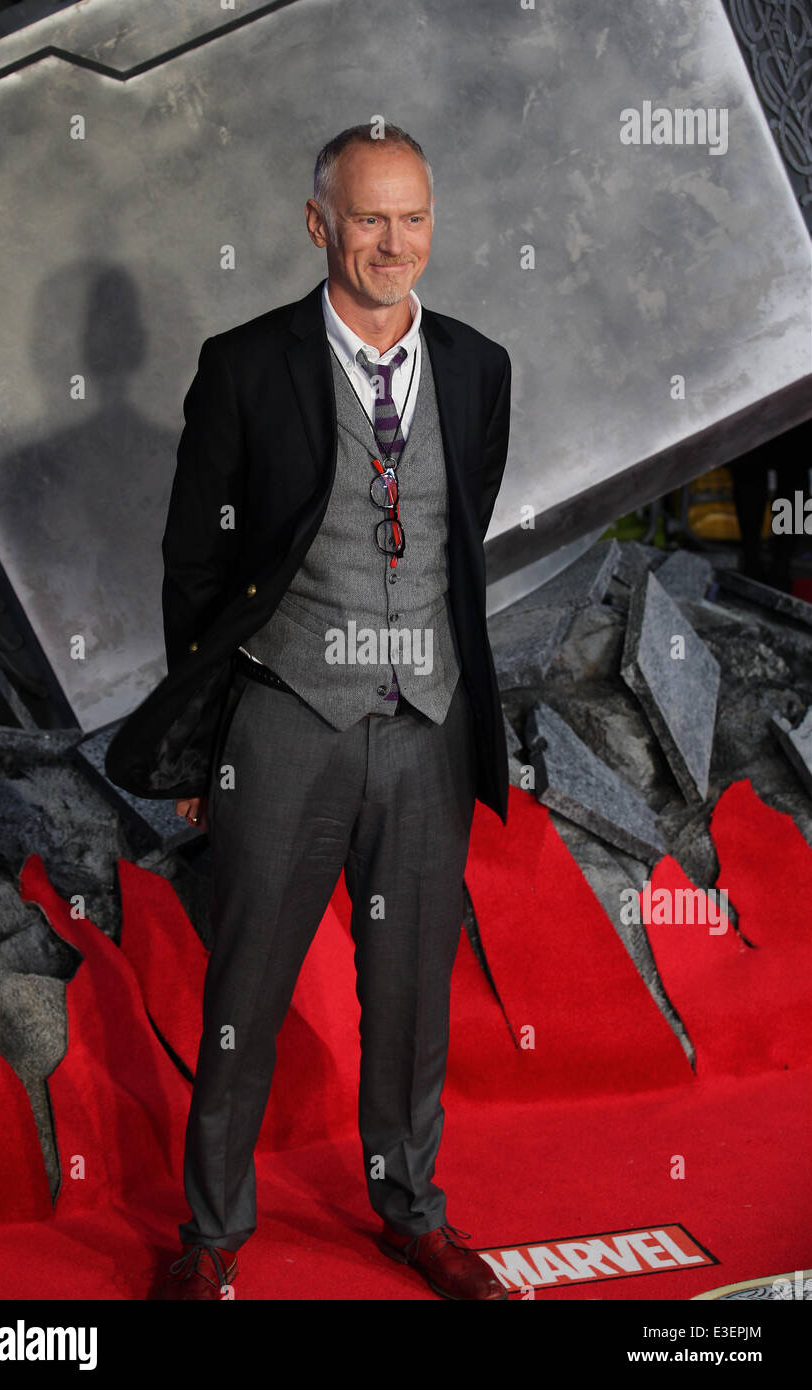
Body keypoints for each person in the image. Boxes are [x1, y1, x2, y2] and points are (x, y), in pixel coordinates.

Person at [142, 124, 512, 1300]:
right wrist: (202, 747)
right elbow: (194, 570)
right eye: (365, 218)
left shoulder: (476, 365)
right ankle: (210, 1243)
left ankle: (412, 1208)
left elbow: (458, 538)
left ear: (431, 224)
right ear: (319, 226)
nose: (390, 242)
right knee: (244, 989)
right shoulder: (245, 366)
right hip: (286, 717)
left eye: (409, 217)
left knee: (408, 995)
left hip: (426, 726)